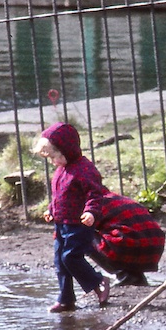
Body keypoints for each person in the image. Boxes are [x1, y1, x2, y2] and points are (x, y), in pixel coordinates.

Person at [35, 122, 112, 312]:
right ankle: (66, 298)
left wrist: (91, 212)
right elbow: (59, 195)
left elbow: (95, 194)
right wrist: (51, 209)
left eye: (55, 157)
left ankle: (98, 281)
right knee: (60, 261)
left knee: (71, 257)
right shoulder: (61, 170)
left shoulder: (84, 169)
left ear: (67, 150)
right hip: (61, 224)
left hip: (79, 224)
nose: (53, 162)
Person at [83, 191, 166, 287]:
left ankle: (124, 274)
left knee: (81, 234)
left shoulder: (91, 204)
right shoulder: (113, 197)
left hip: (133, 245)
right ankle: (136, 274)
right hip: (155, 247)